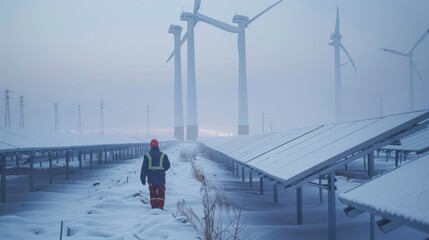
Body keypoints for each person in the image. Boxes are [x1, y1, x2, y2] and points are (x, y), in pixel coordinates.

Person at [140, 139, 170, 210]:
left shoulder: (147, 156)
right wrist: (162, 170)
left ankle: (154, 208)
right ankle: (160, 207)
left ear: (151, 145)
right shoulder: (163, 155)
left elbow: (144, 168)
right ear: (157, 145)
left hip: (151, 178)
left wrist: (142, 178)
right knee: (161, 193)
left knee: (152, 193)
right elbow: (168, 165)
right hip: (161, 178)